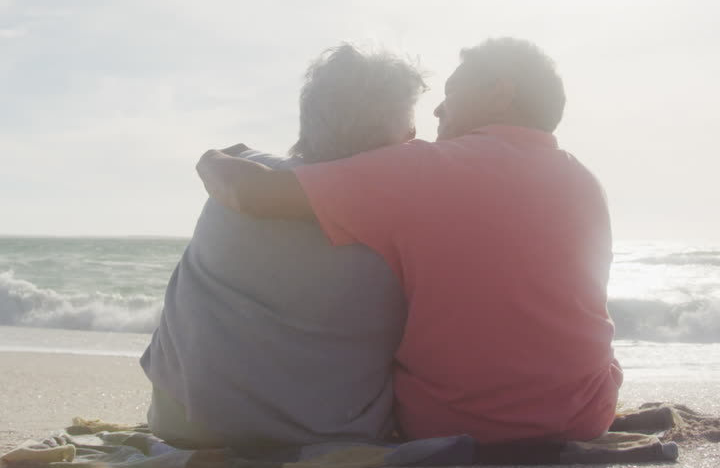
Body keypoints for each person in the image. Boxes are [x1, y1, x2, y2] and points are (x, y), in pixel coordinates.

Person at [197, 37, 623, 445]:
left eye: (451, 92)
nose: (437, 109)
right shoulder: (585, 180)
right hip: (586, 416)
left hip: (457, 423)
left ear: (500, 92)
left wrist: (214, 156)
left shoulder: (424, 168)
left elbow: (251, 193)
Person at [142, 44, 426, 448]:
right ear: (404, 139)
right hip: (331, 434)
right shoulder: (401, 214)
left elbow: (226, 154)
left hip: (183, 424)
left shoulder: (240, 174)